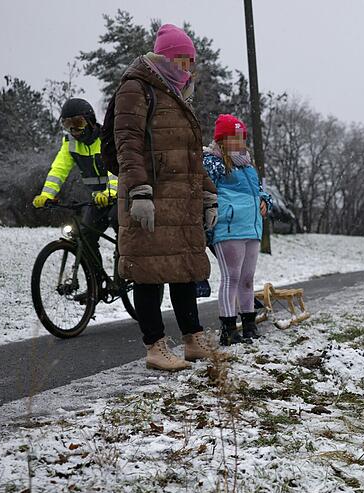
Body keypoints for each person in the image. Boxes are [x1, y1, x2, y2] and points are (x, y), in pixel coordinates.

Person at [113, 23, 218, 371]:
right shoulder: (137, 88)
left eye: (191, 62)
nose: (188, 68)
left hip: (182, 202)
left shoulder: (179, 95)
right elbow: (127, 145)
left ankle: (193, 340)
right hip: (152, 199)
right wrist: (138, 192)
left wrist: (208, 195)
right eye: (183, 60)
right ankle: (155, 347)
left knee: (184, 270)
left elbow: (192, 156)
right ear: (166, 58)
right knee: (149, 272)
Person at [203, 114, 272, 345]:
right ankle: (229, 329)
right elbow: (206, 193)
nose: (240, 141)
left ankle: (250, 325)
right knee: (231, 277)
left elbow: (259, 191)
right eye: (234, 137)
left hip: (252, 228)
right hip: (229, 229)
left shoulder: (248, 166)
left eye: (242, 137)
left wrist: (265, 200)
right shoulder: (212, 162)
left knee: (247, 279)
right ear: (221, 139)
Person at [33, 98, 118, 283]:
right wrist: (46, 194)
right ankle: (97, 284)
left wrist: (111, 192)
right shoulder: (70, 143)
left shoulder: (107, 138)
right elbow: (58, 170)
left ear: (90, 121)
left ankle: (123, 273)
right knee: (85, 237)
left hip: (119, 194)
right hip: (97, 198)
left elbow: (116, 169)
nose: (73, 129)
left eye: (78, 123)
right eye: (67, 124)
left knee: (120, 225)